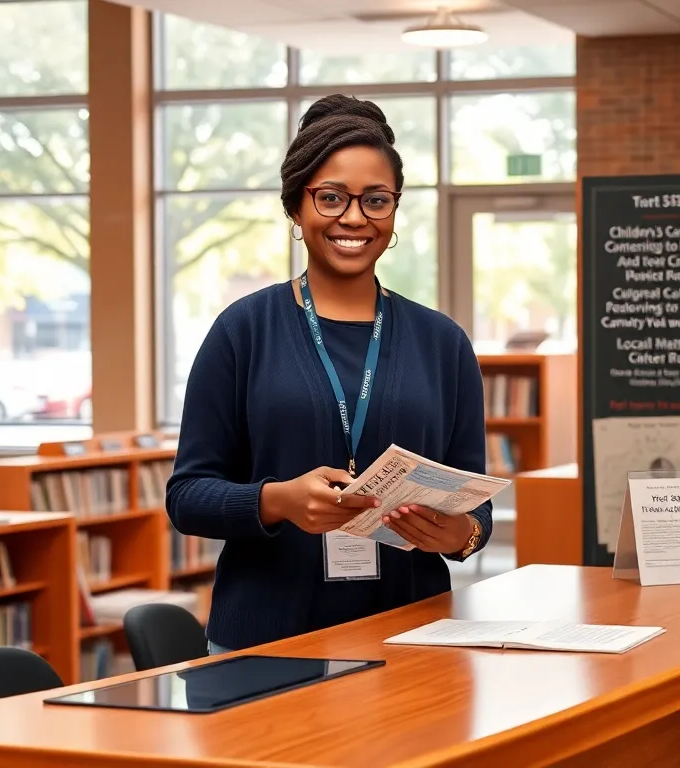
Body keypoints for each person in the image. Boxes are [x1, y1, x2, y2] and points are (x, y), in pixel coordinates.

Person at [165, 94, 492, 655]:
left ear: (393, 211)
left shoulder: (443, 343)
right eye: (332, 197)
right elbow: (186, 496)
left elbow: (475, 504)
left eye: (376, 200)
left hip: (413, 641)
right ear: (296, 207)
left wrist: (463, 535)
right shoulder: (243, 331)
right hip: (267, 642)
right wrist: (278, 500)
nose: (354, 218)